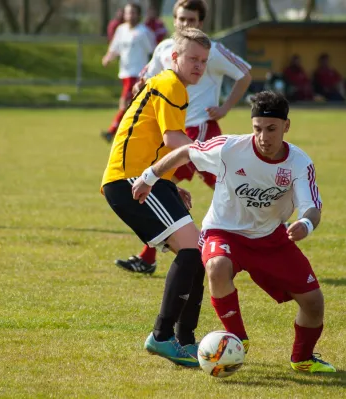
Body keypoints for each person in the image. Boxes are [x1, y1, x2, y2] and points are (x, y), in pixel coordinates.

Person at [131, 90, 336, 373]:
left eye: (272, 129)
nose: (264, 137)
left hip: (270, 237)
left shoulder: (299, 163)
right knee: (216, 266)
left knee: (313, 302)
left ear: (286, 126)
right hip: (222, 232)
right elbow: (185, 152)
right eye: (258, 129)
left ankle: (302, 358)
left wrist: (306, 224)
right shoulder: (229, 148)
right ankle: (237, 339)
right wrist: (149, 177)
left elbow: (312, 207)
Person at [114, 0, 252, 274]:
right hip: (172, 132)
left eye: (192, 20)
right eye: (181, 19)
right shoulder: (166, 49)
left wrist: (224, 108)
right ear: (173, 21)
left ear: (201, 24)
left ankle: (149, 257)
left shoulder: (212, 50)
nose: (186, 24)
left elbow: (245, 73)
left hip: (196, 130)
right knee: (226, 185)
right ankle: (265, 223)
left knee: (158, 186)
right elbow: (146, 79)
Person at [101, 28, 211, 367]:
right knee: (193, 251)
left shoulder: (168, 85)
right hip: (130, 180)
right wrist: (215, 156)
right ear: (174, 57)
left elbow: (156, 143)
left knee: (198, 253)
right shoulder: (171, 85)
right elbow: (174, 138)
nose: (198, 66)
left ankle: (185, 340)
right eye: (192, 58)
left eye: (204, 61)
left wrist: (167, 183)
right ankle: (163, 337)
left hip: (145, 177)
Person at [101, 3, 155, 142]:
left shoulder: (144, 32)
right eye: (127, 13)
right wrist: (108, 57)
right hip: (124, 73)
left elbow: (153, 52)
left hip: (137, 74)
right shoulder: (121, 30)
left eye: (133, 13)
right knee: (133, 106)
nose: (130, 16)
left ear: (138, 15)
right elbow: (115, 48)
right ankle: (133, 132)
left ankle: (112, 132)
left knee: (124, 103)